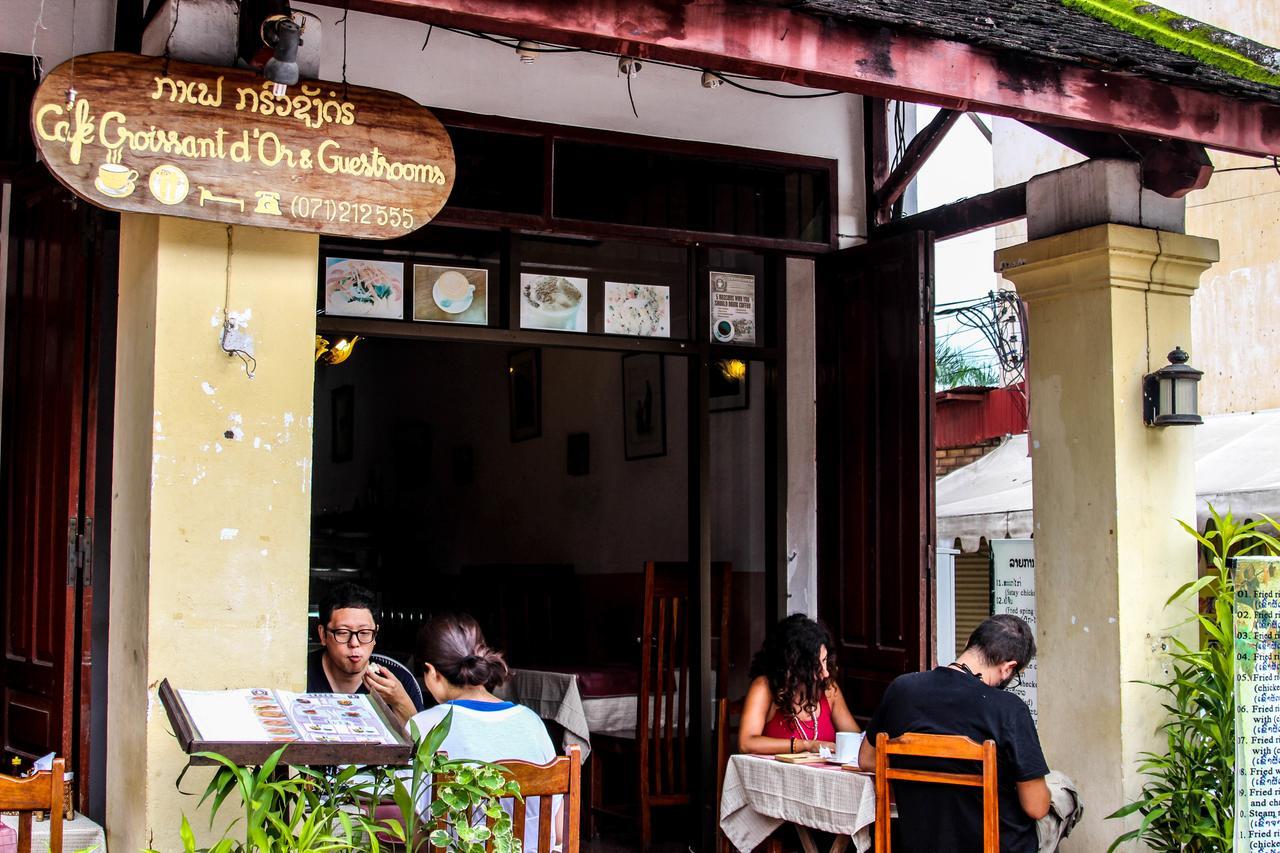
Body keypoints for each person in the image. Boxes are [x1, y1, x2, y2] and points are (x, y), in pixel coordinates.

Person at [858, 614, 1051, 853]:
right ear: (1008, 667)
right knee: (1062, 796)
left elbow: (867, 759)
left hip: (917, 843)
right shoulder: (1009, 709)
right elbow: (1036, 807)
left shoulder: (902, 689)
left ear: (970, 642)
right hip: (995, 845)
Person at [406, 613, 559, 852]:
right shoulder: (533, 723)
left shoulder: (424, 726)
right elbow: (557, 828)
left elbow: (414, 835)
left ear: (431, 671)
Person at [739, 614, 860, 754]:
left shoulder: (828, 688)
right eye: (815, 665)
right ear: (793, 665)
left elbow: (855, 738)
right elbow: (746, 743)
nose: (825, 672)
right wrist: (805, 745)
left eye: (825, 660)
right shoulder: (764, 687)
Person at [307, 582, 424, 728]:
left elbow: (423, 746)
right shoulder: (302, 673)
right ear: (323, 634)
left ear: (375, 634)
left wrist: (400, 701)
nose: (355, 643)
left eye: (364, 633)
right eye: (343, 633)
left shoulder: (399, 681)